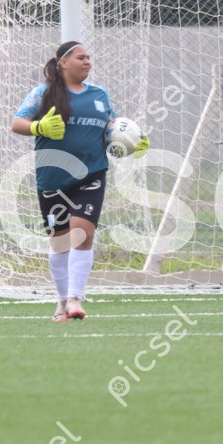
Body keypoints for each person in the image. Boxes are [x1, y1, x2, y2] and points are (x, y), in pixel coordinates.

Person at [12, 41, 149, 322]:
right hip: (52, 177)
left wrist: (132, 142)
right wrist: (38, 127)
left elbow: (112, 129)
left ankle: (76, 298)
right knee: (60, 244)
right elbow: (17, 123)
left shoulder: (99, 95)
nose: (87, 62)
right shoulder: (43, 93)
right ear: (63, 63)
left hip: (91, 175)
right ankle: (62, 301)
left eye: (89, 57)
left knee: (83, 236)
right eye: (80, 57)